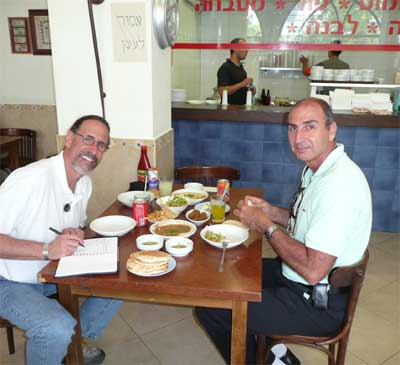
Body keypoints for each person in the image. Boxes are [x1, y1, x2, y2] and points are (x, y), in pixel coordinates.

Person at [195, 98, 372, 364]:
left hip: (316, 303)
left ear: (331, 130)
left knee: (213, 308)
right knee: (234, 270)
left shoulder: (338, 186)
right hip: (298, 279)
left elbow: (314, 270)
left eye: (309, 127)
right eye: (292, 128)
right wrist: (271, 211)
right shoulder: (318, 169)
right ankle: (277, 354)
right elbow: (308, 221)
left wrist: (265, 225)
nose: (298, 137)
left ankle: (264, 359)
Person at [0, 115, 123, 365]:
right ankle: (63, 338)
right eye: (88, 139)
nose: (94, 150)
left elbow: (66, 225)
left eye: (101, 145)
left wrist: (76, 232)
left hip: (52, 272)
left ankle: (74, 343)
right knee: (54, 327)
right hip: (8, 279)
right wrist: (46, 250)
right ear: (69, 139)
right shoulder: (29, 180)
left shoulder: (84, 183)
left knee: (122, 281)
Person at [217, 38, 256, 105]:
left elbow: (239, 89)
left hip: (240, 111)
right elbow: (221, 91)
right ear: (234, 48)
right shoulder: (225, 67)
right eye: (244, 47)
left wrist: (250, 89)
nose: (247, 50)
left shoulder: (241, 68)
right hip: (229, 112)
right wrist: (242, 83)